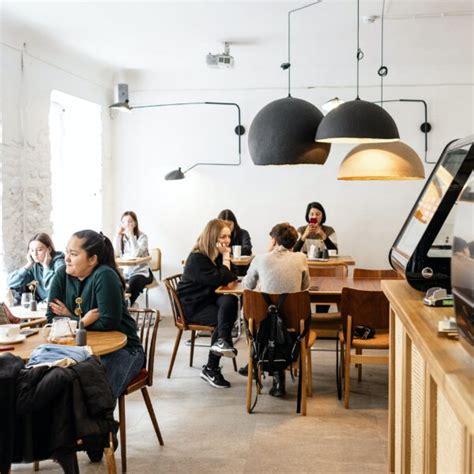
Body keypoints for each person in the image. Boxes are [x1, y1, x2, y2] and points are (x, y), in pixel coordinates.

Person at [46, 229, 144, 400]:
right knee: (52, 381)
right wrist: (82, 321)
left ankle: (96, 419)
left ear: (92, 259)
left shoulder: (104, 275)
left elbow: (108, 323)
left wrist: (72, 319)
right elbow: (52, 319)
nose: (66, 258)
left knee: (96, 396)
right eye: (67, 252)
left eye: (73, 254)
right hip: (82, 351)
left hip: (122, 350)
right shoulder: (62, 274)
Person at [242, 222, 310, 397]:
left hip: (264, 327)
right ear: (293, 242)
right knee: (285, 321)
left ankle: (256, 358)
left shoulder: (260, 259)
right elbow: (305, 287)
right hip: (293, 327)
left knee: (250, 314)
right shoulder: (301, 258)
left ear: (274, 240)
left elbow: (247, 285)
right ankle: (279, 374)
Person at [177, 219, 239, 389]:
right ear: (212, 237)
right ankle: (211, 368)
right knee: (224, 319)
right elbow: (221, 278)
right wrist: (226, 257)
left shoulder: (214, 254)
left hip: (207, 299)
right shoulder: (197, 258)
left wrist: (225, 260)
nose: (227, 240)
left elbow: (231, 276)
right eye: (223, 236)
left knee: (231, 300)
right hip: (192, 306)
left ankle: (222, 341)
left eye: (229, 236)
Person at [7, 233, 65, 304]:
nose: (35, 254)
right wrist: (28, 265)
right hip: (45, 305)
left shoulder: (59, 263)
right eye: (32, 250)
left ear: (49, 249)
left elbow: (56, 289)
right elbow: (10, 283)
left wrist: (46, 267)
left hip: (59, 305)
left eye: (39, 250)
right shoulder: (35, 266)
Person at [114, 211, 154, 306]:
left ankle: (127, 306)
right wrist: (117, 235)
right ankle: (127, 306)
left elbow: (136, 254)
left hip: (142, 272)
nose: (127, 224)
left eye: (130, 221)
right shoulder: (122, 238)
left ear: (135, 223)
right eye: (124, 222)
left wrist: (131, 235)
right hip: (126, 272)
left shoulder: (143, 237)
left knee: (132, 285)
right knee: (114, 283)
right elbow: (116, 253)